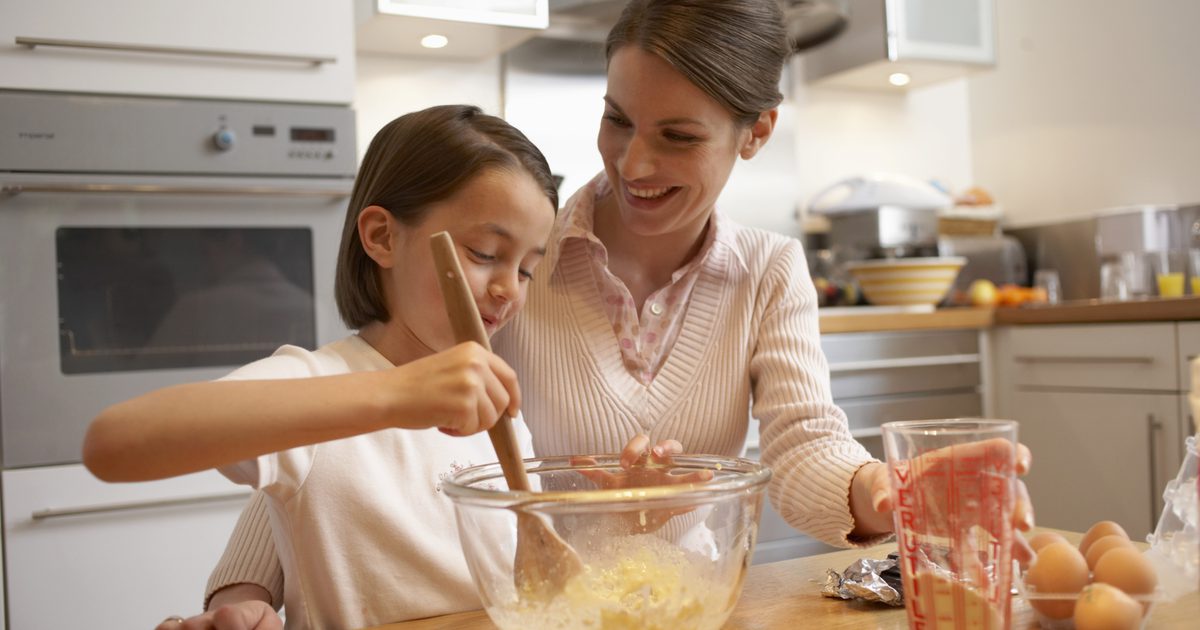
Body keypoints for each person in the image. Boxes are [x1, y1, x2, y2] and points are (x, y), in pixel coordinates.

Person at [193, 0, 1036, 626]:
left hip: (678, 606)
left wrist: (878, 491)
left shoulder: (769, 270)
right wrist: (246, 587)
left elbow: (804, 443)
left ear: (757, 132)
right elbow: (357, 431)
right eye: (616, 118)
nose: (634, 161)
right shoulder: (513, 257)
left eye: (677, 136)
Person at [81, 104, 559, 629]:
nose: (509, 289)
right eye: (485, 252)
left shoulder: (499, 411)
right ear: (381, 237)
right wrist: (395, 394)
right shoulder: (318, 383)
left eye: (528, 270)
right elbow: (113, 443)